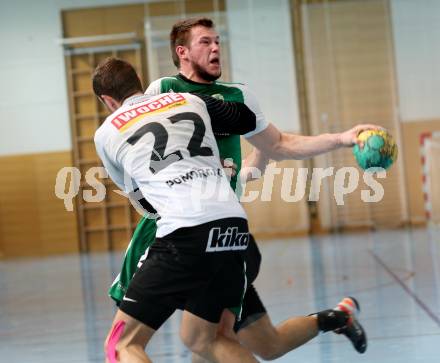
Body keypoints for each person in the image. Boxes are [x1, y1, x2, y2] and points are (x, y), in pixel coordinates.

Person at [108, 18, 375, 361]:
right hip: (173, 231)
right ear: (182, 52)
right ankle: (336, 318)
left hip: (220, 233)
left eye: (217, 41)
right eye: (205, 42)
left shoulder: (238, 98)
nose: (216, 47)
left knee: (198, 340)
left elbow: (279, 145)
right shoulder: (164, 90)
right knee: (265, 344)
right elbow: (140, 147)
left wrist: (341, 138)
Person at [93, 57, 265, 362]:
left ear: (107, 100)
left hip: (187, 231)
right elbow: (241, 119)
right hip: (234, 226)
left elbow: (142, 201)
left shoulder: (107, 132)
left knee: (121, 344)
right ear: (138, 80)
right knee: (203, 339)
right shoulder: (187, 99)